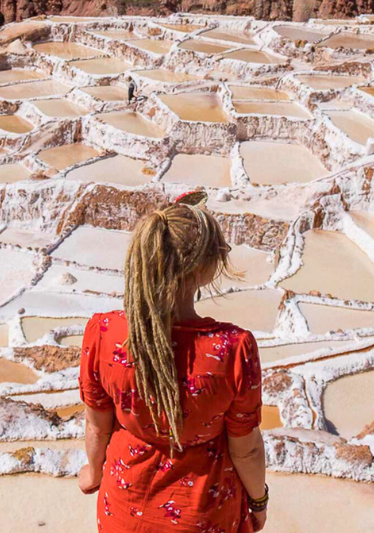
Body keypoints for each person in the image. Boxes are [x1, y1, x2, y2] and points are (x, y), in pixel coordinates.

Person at [78, 191, 268, 532]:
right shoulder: (233, 349)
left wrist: (92, 471)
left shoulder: (104, 333)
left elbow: (97, 425)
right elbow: (246, 451)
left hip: (124, 510)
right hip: (202, 514)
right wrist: (258, 501)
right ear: (202, 268)